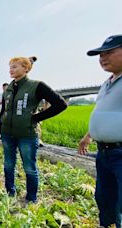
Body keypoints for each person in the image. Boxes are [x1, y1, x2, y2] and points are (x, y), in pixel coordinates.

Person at [0, 56, 67, 203]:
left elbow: (61, 104)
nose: (11, 69)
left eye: (15, 66)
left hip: (27, 135)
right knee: (8, 164)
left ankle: (31, 198)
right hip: (8, 134)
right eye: (10, 66)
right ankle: (10, 192)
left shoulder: (36, 85)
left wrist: (36, 118)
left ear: (26, 68)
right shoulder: (8, 88)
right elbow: (4, 111)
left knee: (29, 167)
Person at [78, 34, 122, 228]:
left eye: (109, 52)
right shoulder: (107, 83)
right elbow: (102, 111)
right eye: (100, 55)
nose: (103, 58)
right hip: (103, 153)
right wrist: (88, 136)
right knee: (104, 198)